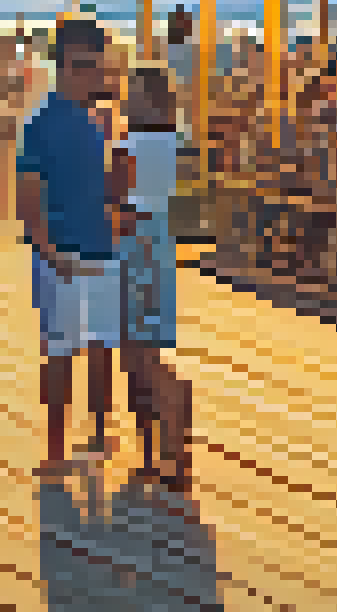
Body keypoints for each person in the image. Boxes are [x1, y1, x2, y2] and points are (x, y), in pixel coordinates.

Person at [17, 18, 125, 479]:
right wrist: (48, 250)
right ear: (63, 66)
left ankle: (99, 433)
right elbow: (27, 197)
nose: (93, 75)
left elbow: (109, 192)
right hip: (62, 253)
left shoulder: (97, 123)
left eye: (97, 66)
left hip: (99, 250)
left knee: (99, 347)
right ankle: (57, 446)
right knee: (61, 352)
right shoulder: (42, 124)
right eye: (84, 66)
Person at [117, 66, 194, 493]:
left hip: (137, 247)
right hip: (157, 244)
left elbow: (114, 193)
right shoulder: (169, 141)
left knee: (142, 355)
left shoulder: (134, 144)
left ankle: (172, 451)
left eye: (132, 92)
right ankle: (163, 453)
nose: (125, 99)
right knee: (142, 350)